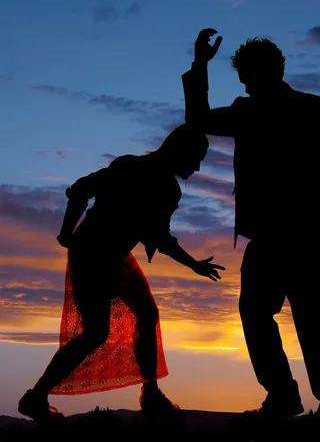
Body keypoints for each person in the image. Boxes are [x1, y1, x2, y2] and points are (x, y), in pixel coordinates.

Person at [181, 28, 320, 418]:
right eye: (242, 79)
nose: (246, 84)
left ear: (270, 70)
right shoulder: (251, 111)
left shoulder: (312, 109)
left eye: (249, 76)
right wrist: (200, 66)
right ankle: (292, 395)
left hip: (301, 235)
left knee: (310, 317)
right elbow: (199, 120)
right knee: (263, 313)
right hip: (275, 237)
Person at [18, 124, 225, 423]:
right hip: (91, 250)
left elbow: (158, 235)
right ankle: (37, 397)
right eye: (195, 158)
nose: (197, 167)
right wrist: (66, 231)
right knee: (96, 332)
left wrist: (193, 264)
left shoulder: (168, 188)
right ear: (178, 152)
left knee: (147, 314)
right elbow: (81, 189)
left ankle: (150, 393)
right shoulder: (130, 168)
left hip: (116, 256)